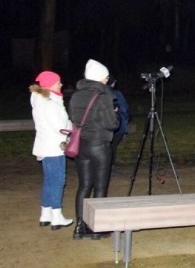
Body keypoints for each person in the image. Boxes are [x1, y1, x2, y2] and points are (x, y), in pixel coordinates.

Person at [69, 59, 119, 240]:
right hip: (99, 145)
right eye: (105, 78)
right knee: (99, 187)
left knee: (83, 186)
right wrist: (115, 112)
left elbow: (74, 119)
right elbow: (112, 124)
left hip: (81, 145)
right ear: (99, 78)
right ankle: (97, 229)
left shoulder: (76, 95)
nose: (107, 81)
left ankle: (79, 226)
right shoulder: (104, 97)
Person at [29, 70, 74, 230]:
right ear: (50, 85)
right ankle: (57, 215)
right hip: (54, 146)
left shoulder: (41, 100)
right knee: (58, 180)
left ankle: (45, 213)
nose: (61, 84)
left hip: (44, 144)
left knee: (49, 180)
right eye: (58, 82)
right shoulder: (51, 103)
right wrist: (72, 127)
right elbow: (61, 127)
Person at [109, 77, 130, 174]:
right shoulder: (116, 93)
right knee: (112, 146)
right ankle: (110, 166)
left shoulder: (98, 93)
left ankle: (107, 166)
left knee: (108, 146)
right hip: (117, 125)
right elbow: (124, 108)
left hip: (102, 127)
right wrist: (125, 120)